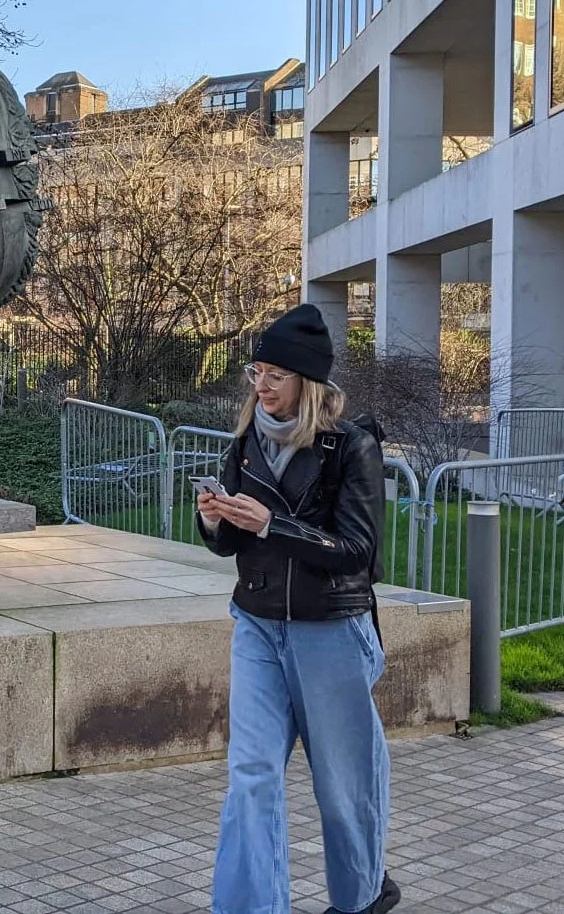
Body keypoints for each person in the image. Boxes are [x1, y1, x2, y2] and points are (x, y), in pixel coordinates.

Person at [197, 304, 401, 914]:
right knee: (251, 775)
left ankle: (362, 897)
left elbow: (358, 552)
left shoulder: (351, 448)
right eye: (256, 372)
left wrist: (272, 526)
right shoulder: (245, 441)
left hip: (331, 631)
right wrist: (213, 522)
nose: (261, 386)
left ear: (306, 383)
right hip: (257, 626)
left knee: (342, 791)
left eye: (275, 376)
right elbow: (232, 543)